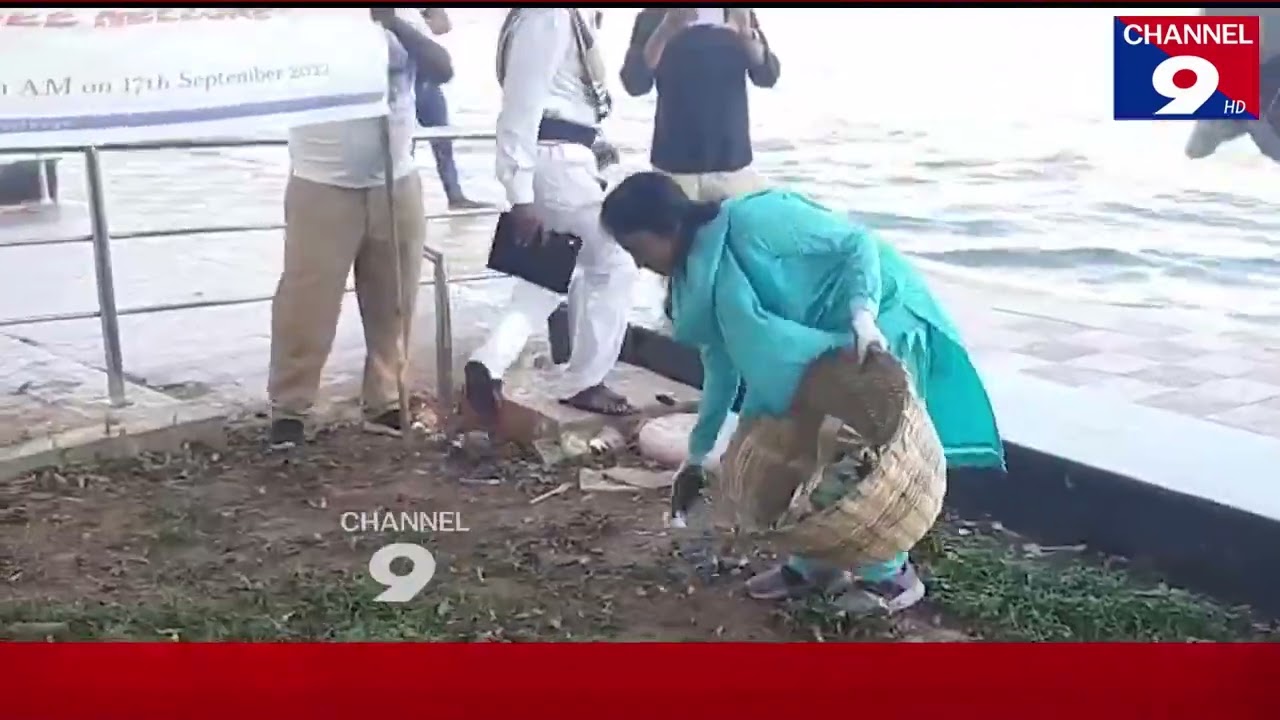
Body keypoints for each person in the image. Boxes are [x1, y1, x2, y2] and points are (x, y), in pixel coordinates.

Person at [599, 172, 1005, 612]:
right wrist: (695, 458)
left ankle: (891, 576)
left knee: (870, 455)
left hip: (874, 320)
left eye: (639, 249)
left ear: (669, 225)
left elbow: (856, 243)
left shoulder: (755, 219)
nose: (639, 264)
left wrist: (863, 316)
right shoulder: (691, 283)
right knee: (805, 445)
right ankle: (816, 566)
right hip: (813, 340)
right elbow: (719, 367)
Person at [266, 8, 452, 448]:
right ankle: (290, 409)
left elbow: (442, 68)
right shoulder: (303, 19)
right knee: (306, 301)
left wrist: (393, 21)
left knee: (395, 299)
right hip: (321, 181)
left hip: (396, 179)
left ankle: (386, 400)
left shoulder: (402, 14)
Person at [462, 8, 639, 425]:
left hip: (563, 156)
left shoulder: (559, 16)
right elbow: (520, 107)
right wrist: (519, 193)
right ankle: (584, 381)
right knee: (615, 266)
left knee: (546, 276)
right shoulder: (549, 16)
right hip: (554, 162)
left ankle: (488, 364)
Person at [620, 8, 779, 202]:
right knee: (677, 230)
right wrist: (665, 30)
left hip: (732, 162)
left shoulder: (737, 12)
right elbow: (635, 84)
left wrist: (746, 34)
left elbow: (767, 76)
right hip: (674, 163)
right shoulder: (654, 15)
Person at [415, 8, 490, 210]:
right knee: (401, 151)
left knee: (443, 143)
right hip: (395, 81)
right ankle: (407, 209)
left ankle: (455, 197)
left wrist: (420, 17)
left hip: (425, 79)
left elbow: (443, 27)